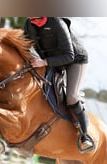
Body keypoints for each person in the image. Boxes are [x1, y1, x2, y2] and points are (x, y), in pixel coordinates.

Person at [23, 17, 95, 153]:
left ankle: (85, 136)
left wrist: (44, 62)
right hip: (50, 60)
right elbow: (23, 46)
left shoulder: (57, 23)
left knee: (72, 97)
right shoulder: (28, 24)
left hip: (75, 60)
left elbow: (69, 55)